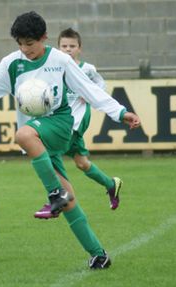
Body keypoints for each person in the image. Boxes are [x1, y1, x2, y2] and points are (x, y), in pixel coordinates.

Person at [0, 11, 140, 269]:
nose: (25, 49)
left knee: (23, 134)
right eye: (20, 43)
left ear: (44, 38)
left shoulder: (61, 61)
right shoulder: (13, 63)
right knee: (70, 203)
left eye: (30, 43)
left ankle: (54, 193)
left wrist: (121, 113)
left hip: (58, 123)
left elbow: (89, 90)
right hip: (40, 136)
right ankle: (99, 254)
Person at [34, 28, 123, 219]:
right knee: (82, 163)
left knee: (50, 151)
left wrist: (88, 94)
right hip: (62, 120)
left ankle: (57, 199)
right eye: (64, 46)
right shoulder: (54, 67)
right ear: (58, 48)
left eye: (72, 46)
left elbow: (101, 86)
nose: (67, 49)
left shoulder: (87, 69)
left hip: (78, 120)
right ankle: (111, 184)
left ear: (79, 48)